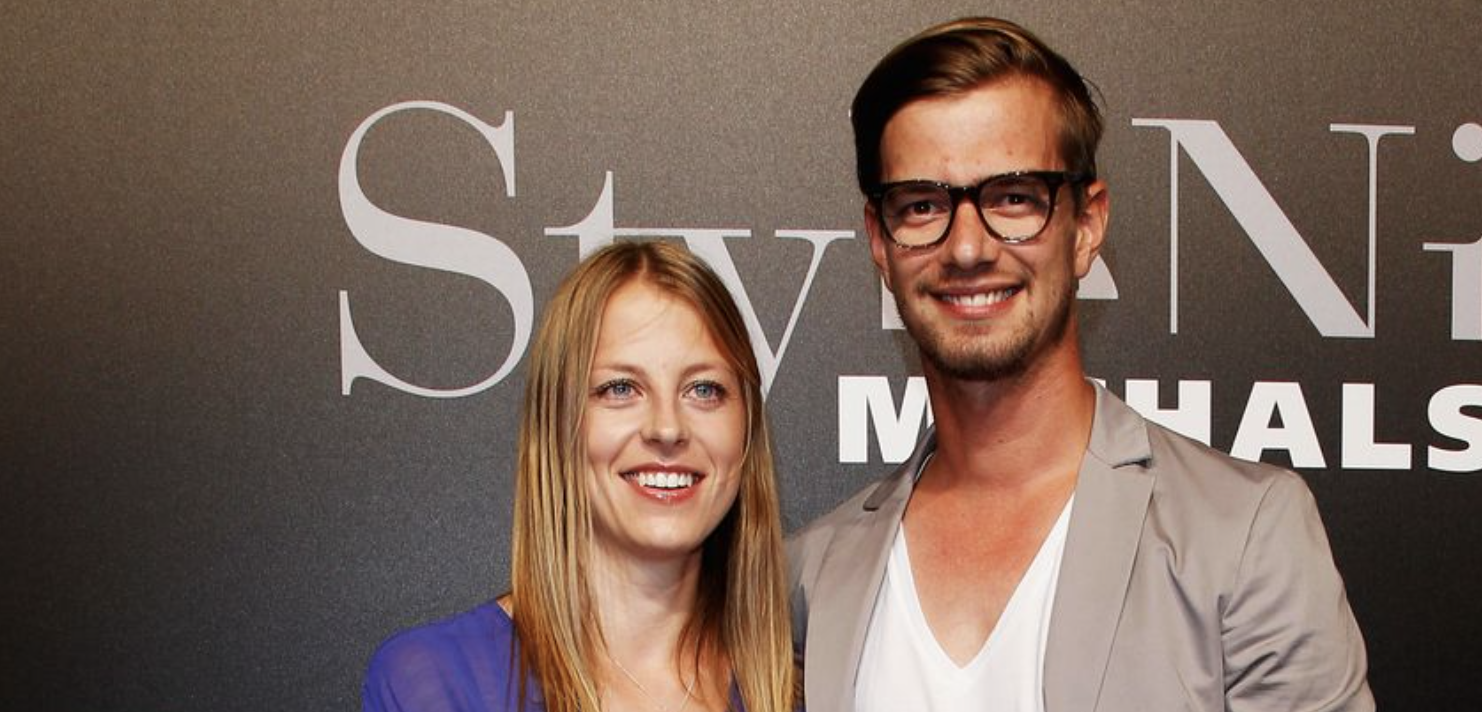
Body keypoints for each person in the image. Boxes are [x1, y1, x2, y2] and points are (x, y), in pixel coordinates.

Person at [788, 16, 1373, 712]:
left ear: (1086, 225)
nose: (968, 248)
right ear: (879, 243)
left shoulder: (1242, 534)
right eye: (921, 205)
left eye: (1013, 198)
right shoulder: (814, 573)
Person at [364, 241, 797, 712]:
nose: (667, 428)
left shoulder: (801, 690)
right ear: (557, 420)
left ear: (746, 426)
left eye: (704, 389)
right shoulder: (435, 683)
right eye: (621, 388)